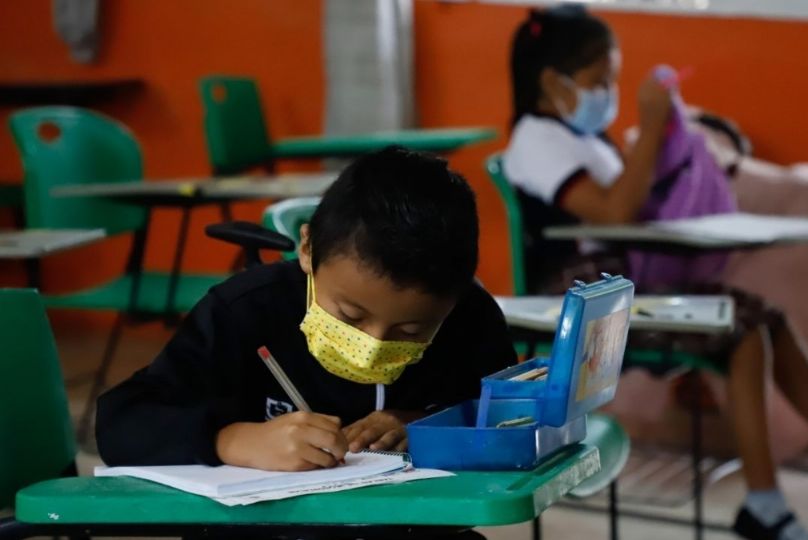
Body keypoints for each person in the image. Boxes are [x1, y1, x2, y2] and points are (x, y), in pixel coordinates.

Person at [502, 6, 808, 540]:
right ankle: (767, 503)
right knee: (741, 333)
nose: (609, 92)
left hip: (621, 289)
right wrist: (649, 129)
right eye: (599, 81)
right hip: (581, 302)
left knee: (767, 319)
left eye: (613, 81)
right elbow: (615, 212)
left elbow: (629, 208)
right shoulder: (537, 138)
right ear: (551, 81)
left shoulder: (584, 141)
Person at [96, 146, 515, 539]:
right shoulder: (246, 311)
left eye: (410, 331)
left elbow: (516, 425)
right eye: (350, 314)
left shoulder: (470, 321)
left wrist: (431, 424)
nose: (372, 344)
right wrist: (233, 440)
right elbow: (123, 423)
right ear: (307, 247)